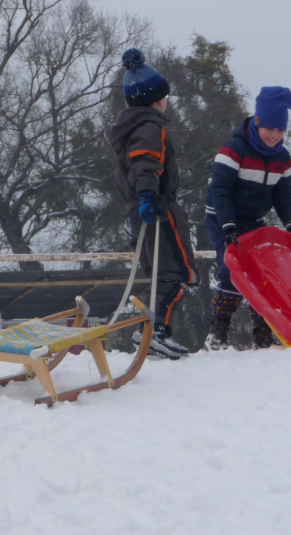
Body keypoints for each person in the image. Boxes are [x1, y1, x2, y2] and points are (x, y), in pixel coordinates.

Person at [104, 48, 199, 359]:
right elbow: (145, 164)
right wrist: (148, 197)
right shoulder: (150, 128)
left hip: (141, 208)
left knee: (160, 272)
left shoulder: (131, 127)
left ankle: (150, 331)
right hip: (156, 207)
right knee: (177, 272)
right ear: (158, 99)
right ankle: (154, 332)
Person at [203, 86, 291, 351]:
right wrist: (228, 226)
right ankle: (218, 333)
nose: (275, 136)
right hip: (222, 217)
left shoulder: (282, 159)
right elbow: (220, 190)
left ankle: (264, 334)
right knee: (232, 269)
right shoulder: (234, 150)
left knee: (264, 272)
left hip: (252, 220)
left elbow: (283, 196)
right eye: (270, 128)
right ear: (257, 122)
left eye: (280, 130)